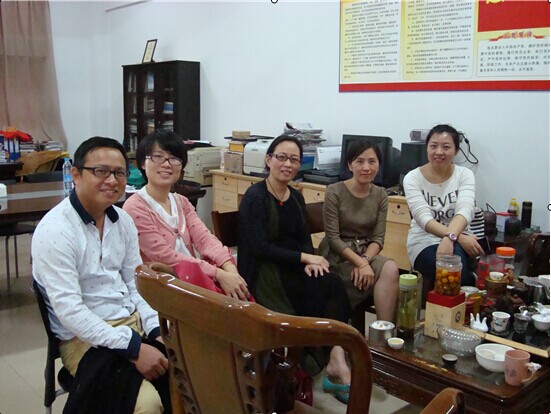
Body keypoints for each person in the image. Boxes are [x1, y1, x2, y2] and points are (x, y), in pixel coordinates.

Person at [32, 137, 170, 413]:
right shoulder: (55, 231)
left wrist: (155, 329)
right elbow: (71, 312)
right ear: (76, 175)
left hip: (131, 323)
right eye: (101, 171)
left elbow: (135, 285)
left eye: (119, 173)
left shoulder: (122, 221)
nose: (112, 180)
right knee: (148, 404)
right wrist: (133, 348)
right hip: (82, 338)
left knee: (195, 377)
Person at [238, 134, 352, 403]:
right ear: (269, 160)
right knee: (317, 295)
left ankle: (335, 357)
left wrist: (311, 261)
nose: (287, 164)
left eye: (294, 159)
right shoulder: (255, 197)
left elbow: (303, 239)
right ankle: (317, 360)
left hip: (292, 266)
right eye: (282, 157)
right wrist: (304, 258)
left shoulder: (296, 197)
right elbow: (260, 248)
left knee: (332, 283)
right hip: (265, 274)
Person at [123, 130, 250, 301]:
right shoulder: (135, 207)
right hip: (161, 290)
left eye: (174, 158)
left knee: (241, 299)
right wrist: (219, 274)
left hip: (192, 283)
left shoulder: (181, 202)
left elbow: (205, 239)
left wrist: (230, 269)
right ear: (142, 163)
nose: (167, 164)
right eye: (158, 157)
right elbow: (167, 257)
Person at [319, 141, 399, 322]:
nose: (366, 167)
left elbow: (378, 238)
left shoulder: (381, 194)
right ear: (350, 165)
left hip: (365, 253)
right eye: (359, 161)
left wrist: (364, 261)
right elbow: (333, 238)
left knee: (390, 268)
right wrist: (361, 264)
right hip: (337, 255)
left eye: (372, 161)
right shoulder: (334, 191)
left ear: (379, 165)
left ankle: (383, 332)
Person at [403, 124, 484, 296]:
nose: (439, 152)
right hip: (423, 240)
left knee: (460, 266)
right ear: (426, 148)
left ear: (456, 151)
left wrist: (451, 238)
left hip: (459, 237)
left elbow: (465, 210)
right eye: (433, 146)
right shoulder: (412, 178)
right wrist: (454, 237)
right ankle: (451, 309)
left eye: (446, 147)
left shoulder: (464, 175)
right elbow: (423, 219)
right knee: (453, 270)